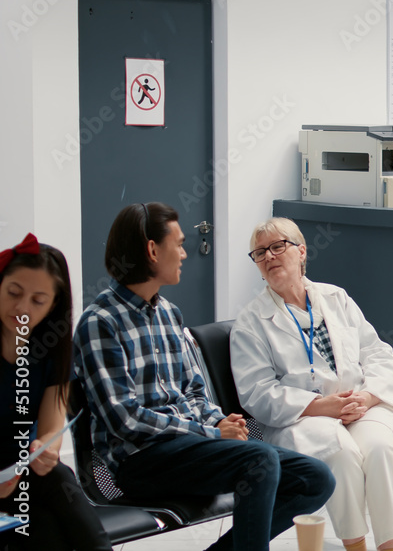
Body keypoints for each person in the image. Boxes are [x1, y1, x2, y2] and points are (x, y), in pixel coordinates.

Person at [73, 202, 335, 551]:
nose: (184, 253)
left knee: (315, 478)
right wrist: (212, 431)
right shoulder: (100, 322)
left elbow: (195, 392)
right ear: (152, 250)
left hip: (191, 450)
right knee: (259, 459)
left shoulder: (168, 314)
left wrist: (223, 423)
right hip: (141, 462)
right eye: (178, 244)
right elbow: (125, 418)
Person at [230, 217, 393, 551]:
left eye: (278, 246)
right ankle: (356, 546)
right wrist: (322, 406)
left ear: (301, 252)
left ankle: (391, 546)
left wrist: (367, 398)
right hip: (303, 419)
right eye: (260, 253)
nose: (269, 257)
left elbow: (377, 352)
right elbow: (257, 392)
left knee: (382, 447)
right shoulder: (250, 323)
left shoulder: (335, 298)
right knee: (341, 453)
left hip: (360, 405)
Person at [0, 234, 113, 551]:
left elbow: (51, 429)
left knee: (54, 491)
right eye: (13, 293)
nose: (22, 308)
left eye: (37, 301)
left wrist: (46, 449)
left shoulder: (49, 348)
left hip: (22, 474)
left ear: (53, 306)